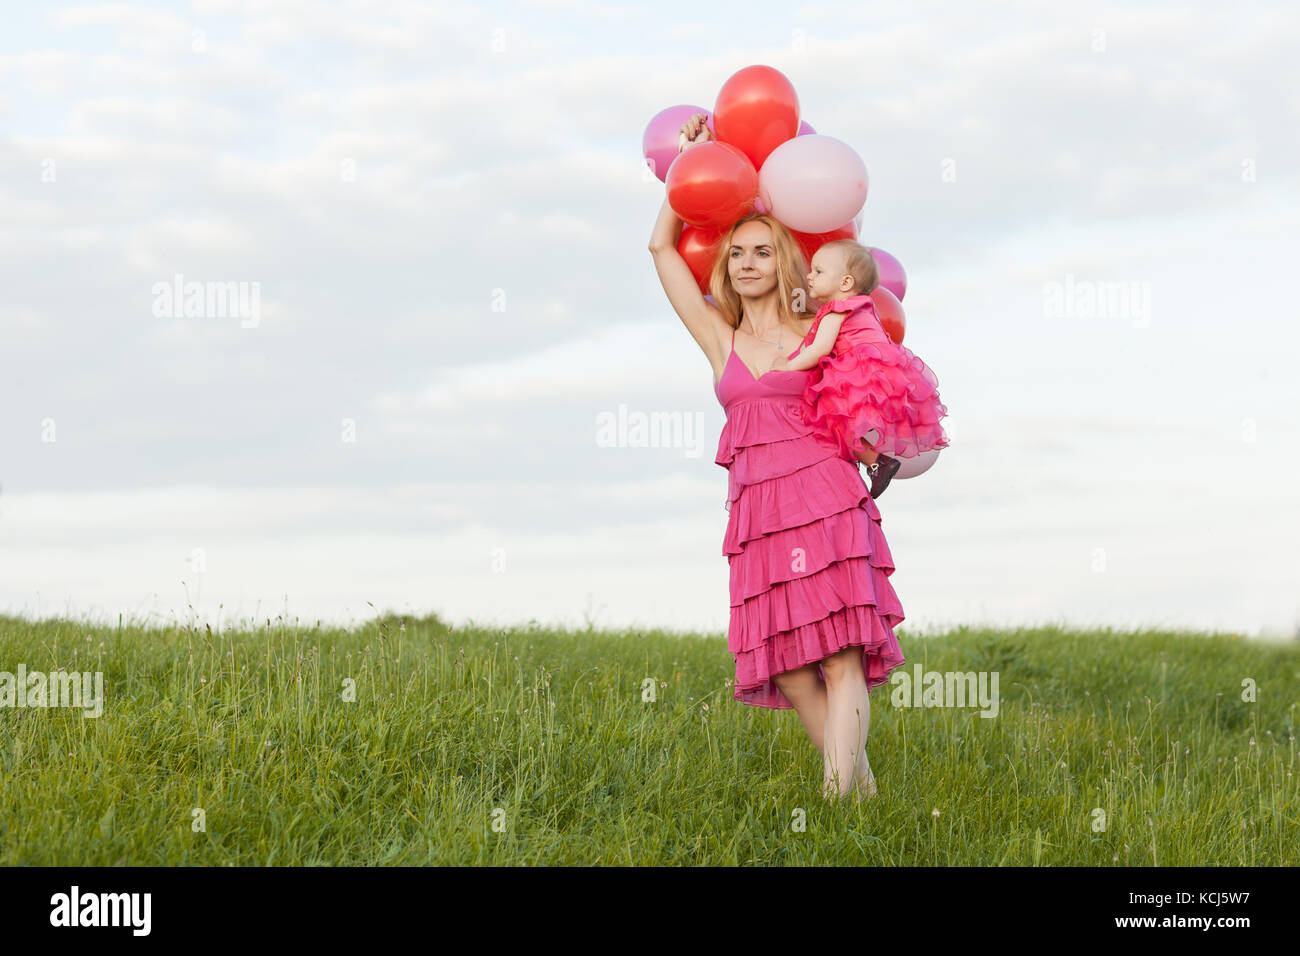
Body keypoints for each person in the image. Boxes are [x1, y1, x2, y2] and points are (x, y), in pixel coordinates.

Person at [648, 113, 905, 802]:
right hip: (760, 513)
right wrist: (691, 169)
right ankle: (864, 792)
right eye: (736, 254)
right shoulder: (717, 336)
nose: (748, 263)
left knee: (842, 652)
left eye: (762, 251)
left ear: (784, 259)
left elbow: (872, 387)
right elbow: (660, 249)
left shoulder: (825, 325)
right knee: (793, 670)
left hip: (824, 495)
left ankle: (835, 805)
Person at [774, 240, 950, 499]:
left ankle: (875, 460)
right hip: (889, 374)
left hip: (858, 373)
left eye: (819, 271)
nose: (809, 276)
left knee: (829, 414)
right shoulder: (866, 307)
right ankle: (877, 462)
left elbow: (819, 349)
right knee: (845, 422)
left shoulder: (835, 311)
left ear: (845, 283)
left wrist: (787, 368)